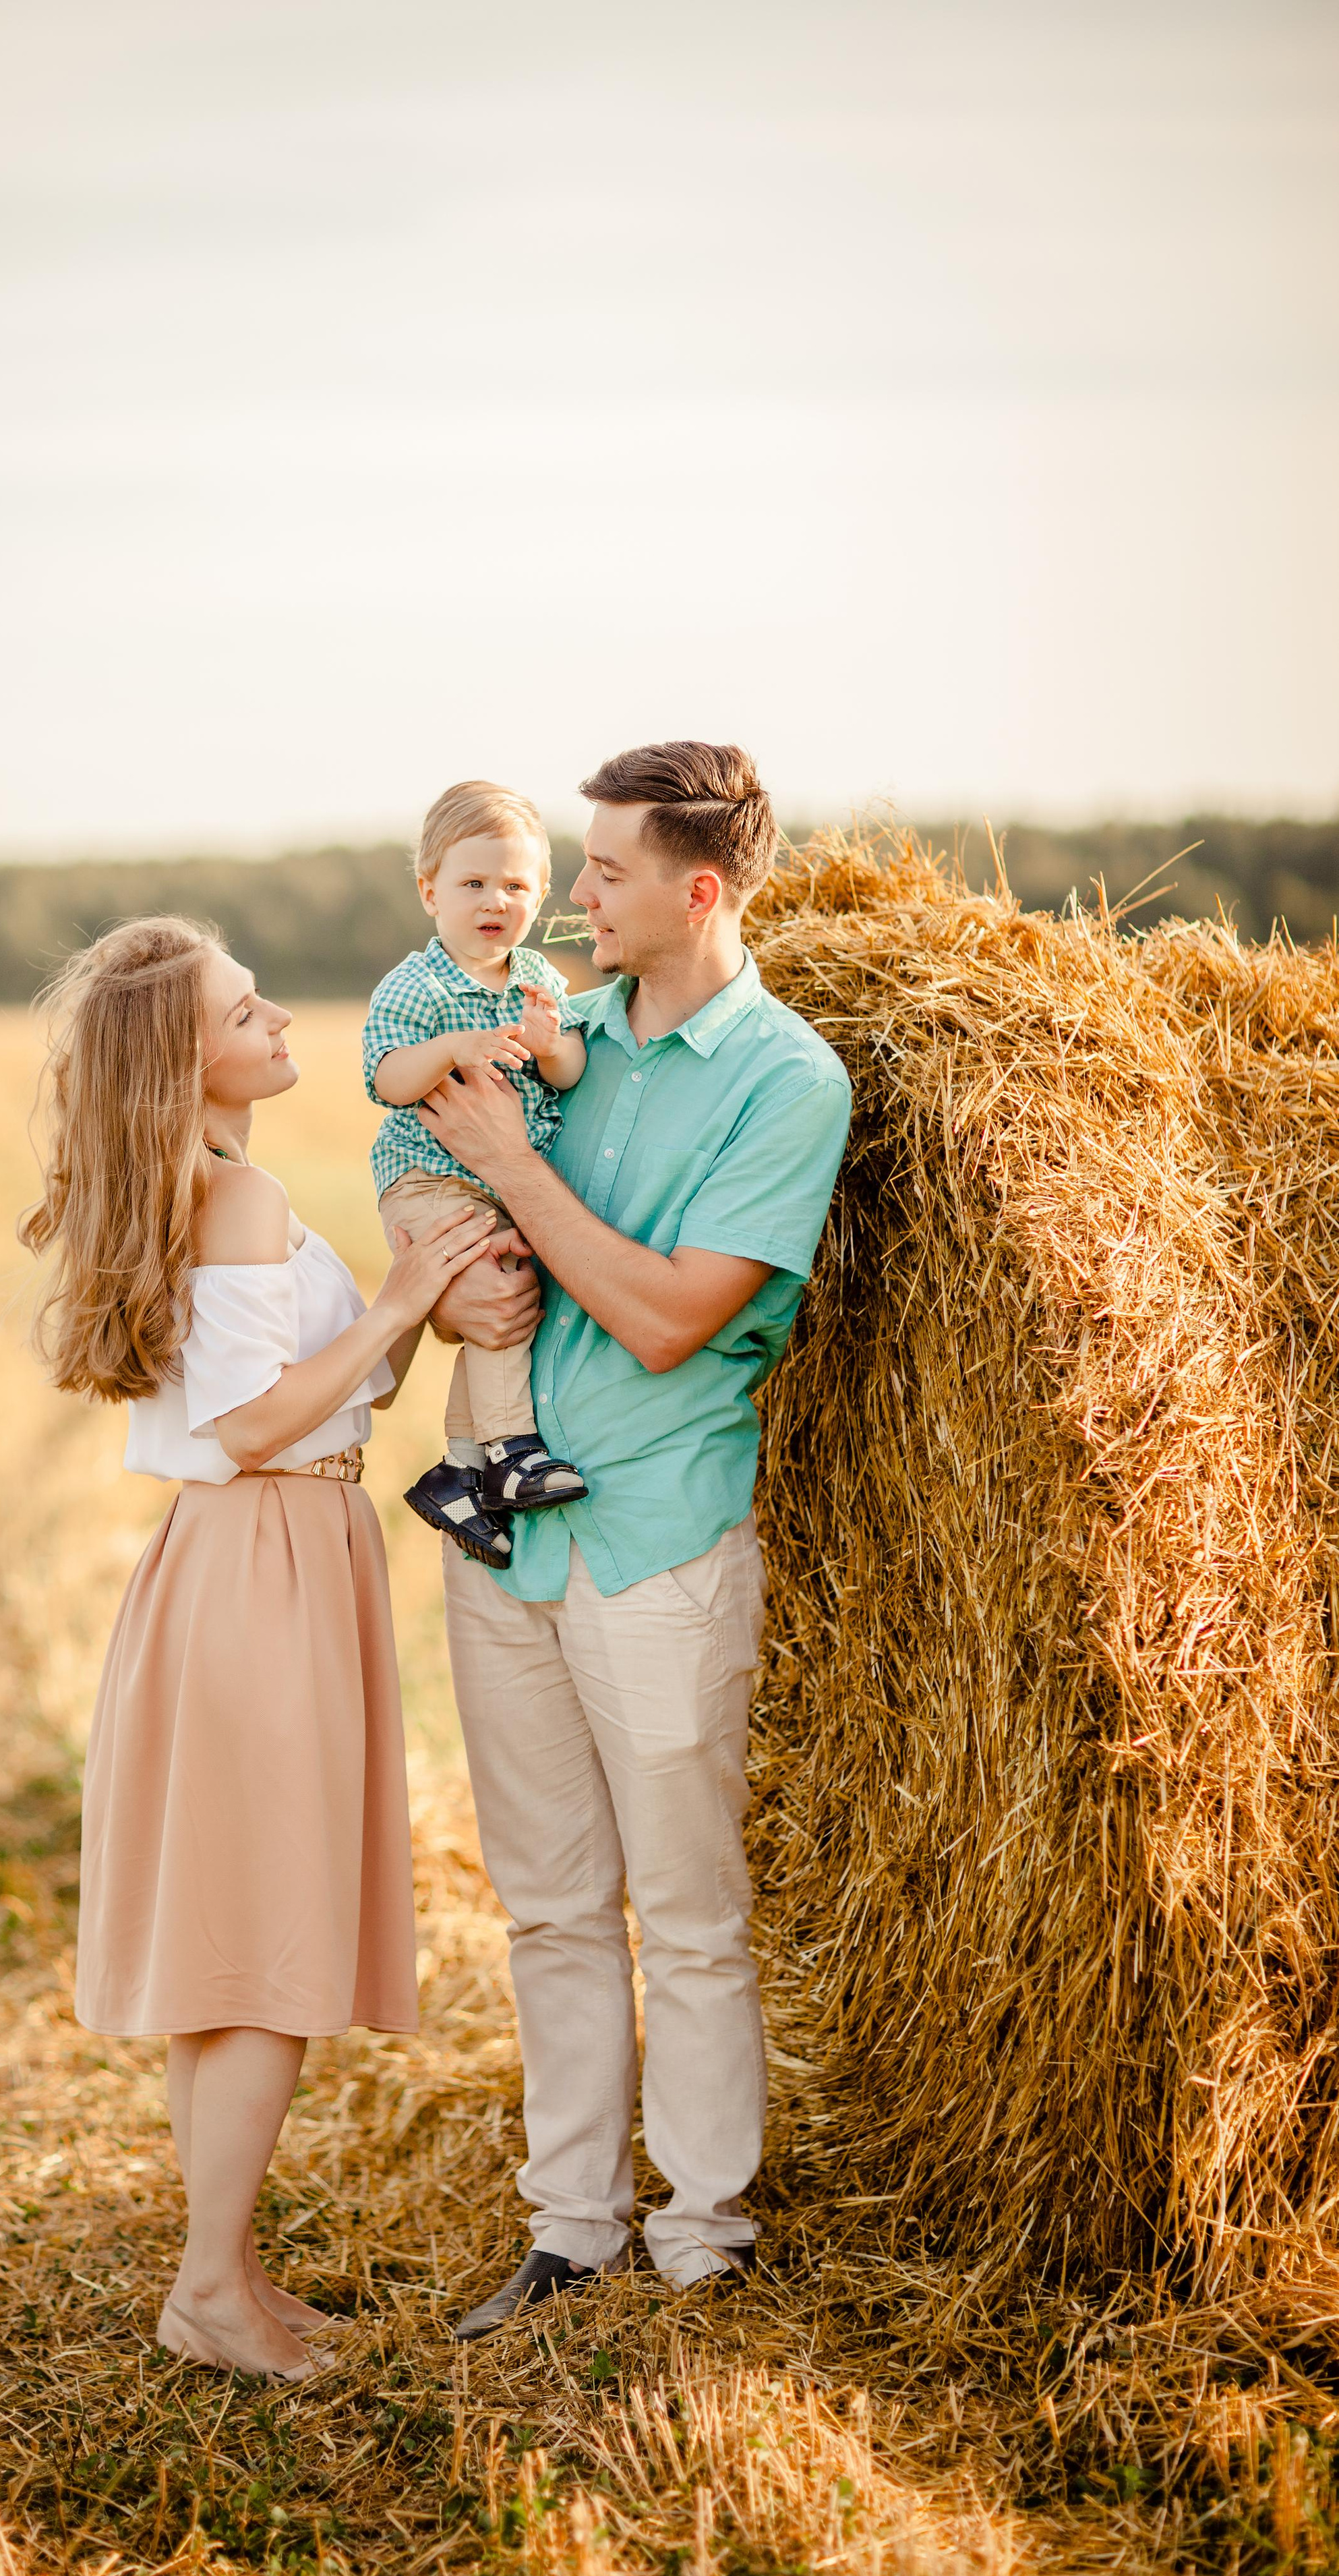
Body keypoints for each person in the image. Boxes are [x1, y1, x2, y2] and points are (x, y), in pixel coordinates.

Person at [18, 915, 504, 2380]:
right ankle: (207, 2296)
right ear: (186, 1062)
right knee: (261, 1953)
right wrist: (405, 1300)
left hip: (252, 1557)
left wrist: (413, 1303)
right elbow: (248, 1425)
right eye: (245, 1010)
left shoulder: (212, 1183)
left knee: (231, 1947)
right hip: (263, 1559)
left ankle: (222, 2274)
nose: (281, 1016)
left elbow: (322, 1391)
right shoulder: (236, 1194)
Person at [418, 743, 852, 2333]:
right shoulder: (550, 1034)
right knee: (545, 1905)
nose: (573, 896)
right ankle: (571, 2226)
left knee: (685, 1914)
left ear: (698, 888)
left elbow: (671, 1319)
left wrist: (510, 1168)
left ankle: (702, 2230)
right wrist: (454, 1286)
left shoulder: (786, 1082)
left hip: (657, 1547)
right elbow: (453, 1240)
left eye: (603, 871)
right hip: (500, 1539)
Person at [364, 780, 589, 1571]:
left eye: (516, 886)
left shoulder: (539, 981)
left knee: (503, 1298)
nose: (495, 900)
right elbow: (387, 1077)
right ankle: (509, 1450)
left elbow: (567, 1072)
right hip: (427, 1181)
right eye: (472, 883)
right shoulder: (418, 985)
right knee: (500, 1291)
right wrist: (454, 1049)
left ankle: (460, 1472)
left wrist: (552, 1043)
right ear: (430, 892)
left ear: (541, 895)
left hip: (492, 1186)